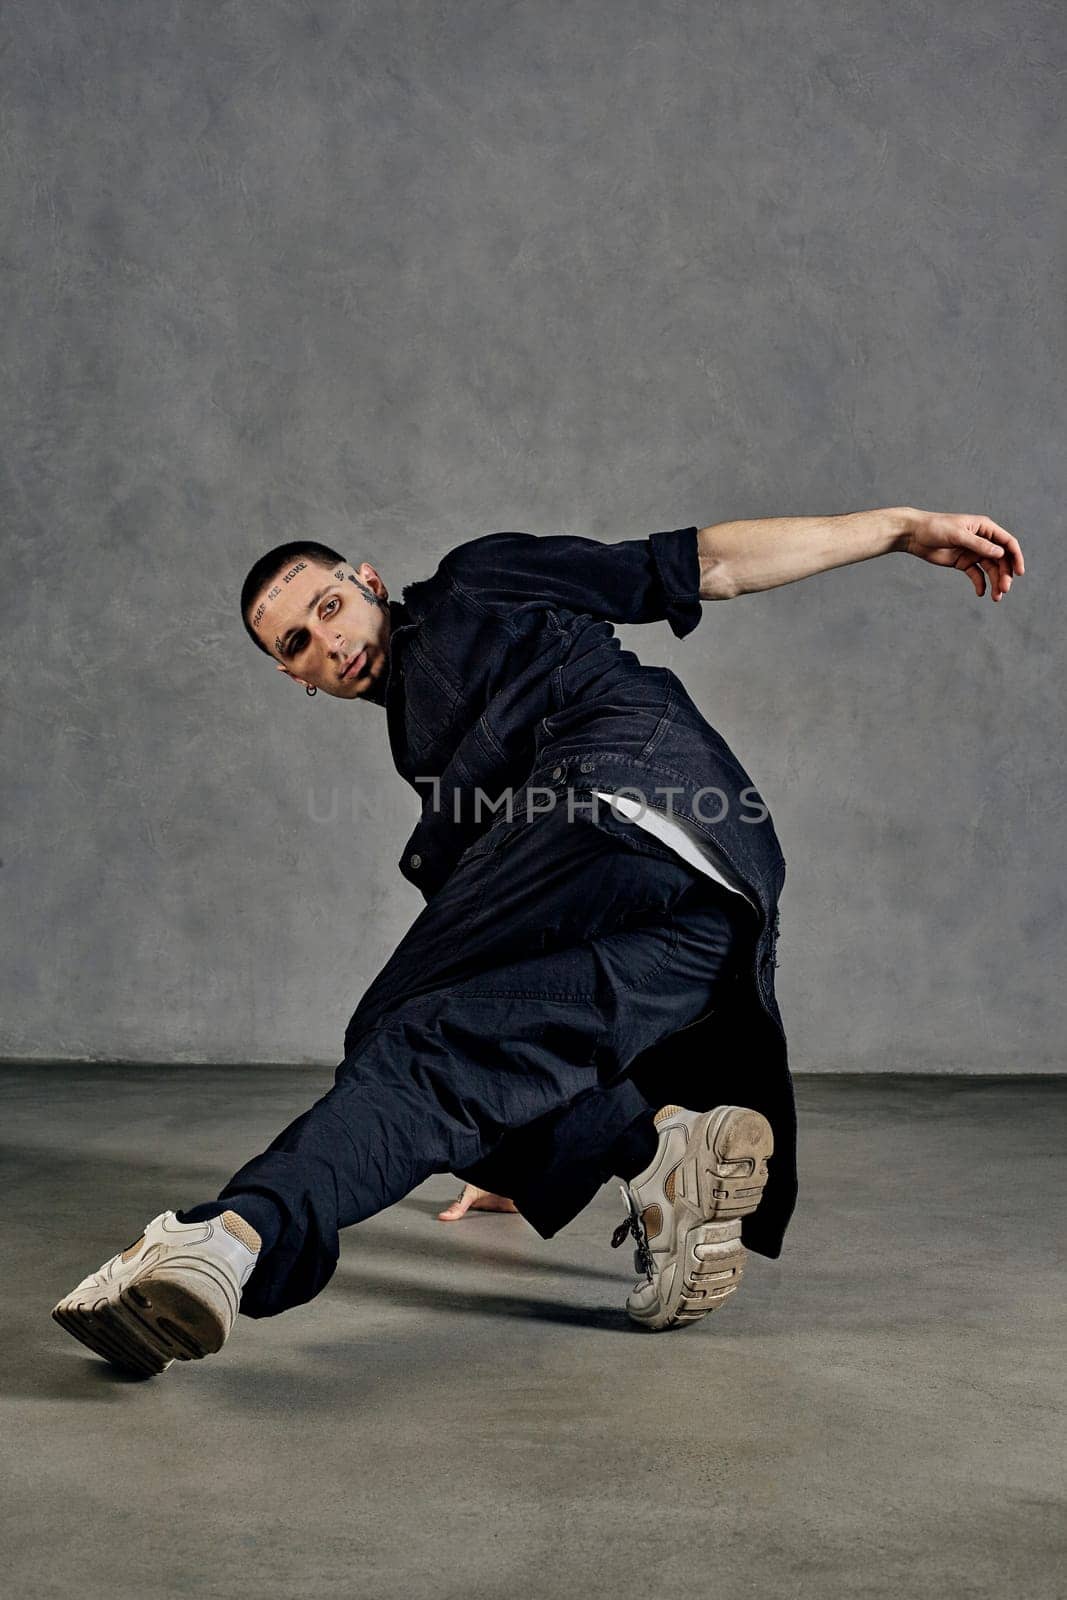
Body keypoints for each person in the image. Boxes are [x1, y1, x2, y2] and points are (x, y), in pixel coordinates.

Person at [53, 507, 1023, 1374]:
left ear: (369, 580)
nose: (328, 640)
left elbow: (697, 565)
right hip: (706, 907)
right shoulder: (425, 752)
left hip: (618, 792)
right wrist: (514, 1136)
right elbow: (509, 994)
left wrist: (894, 529)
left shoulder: (480, 580)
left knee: (399, 1030)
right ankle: (658, 1161)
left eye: (330, 606)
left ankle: (224, 1239)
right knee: (461, 1058)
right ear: (290, 674)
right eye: (300, 641)